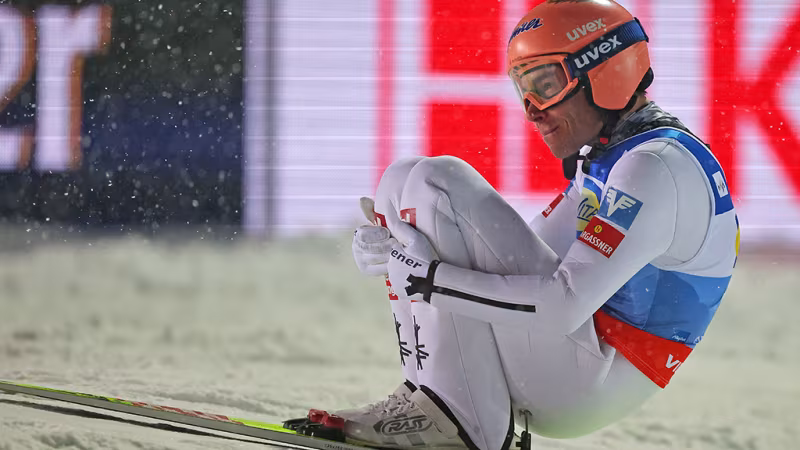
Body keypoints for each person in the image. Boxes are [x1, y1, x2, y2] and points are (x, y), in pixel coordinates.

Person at [288, 1, 740, 449]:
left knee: (437, 181)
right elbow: (511, 260)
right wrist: (396, 248)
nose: (531, 111)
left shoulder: (655, 167)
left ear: (606, 71)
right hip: (577, 363)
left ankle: (458, 421)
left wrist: (428, 280)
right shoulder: (617, 154)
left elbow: (561, 305)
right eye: (523, 89)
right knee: (402, 178)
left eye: (545, 85)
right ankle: (428, 394)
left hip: (588, 381)